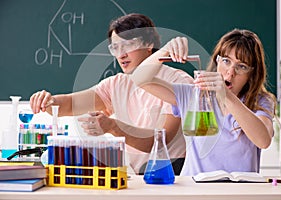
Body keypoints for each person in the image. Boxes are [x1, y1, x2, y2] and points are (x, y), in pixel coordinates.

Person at [29, 13, 194, 175]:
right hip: (138, 176)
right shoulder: (117, 83)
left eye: (128, 44)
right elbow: (70, 105)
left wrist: (113, 127)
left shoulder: (177, 81)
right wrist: (48, 101)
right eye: (115, 47)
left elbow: (160, 142)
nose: (121, 54)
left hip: (172, 174)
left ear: (149, 44)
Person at [130, 29, 276, 176]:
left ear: (252, 74)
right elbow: (140, 79)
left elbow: (263, 141)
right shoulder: (193, 95)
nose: (230, 72)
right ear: (217, 61)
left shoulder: (261, 101)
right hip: (195, 191)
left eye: (242, 66)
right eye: (226, 61)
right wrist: (166, 50)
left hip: (239, 193)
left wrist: (228, 97)